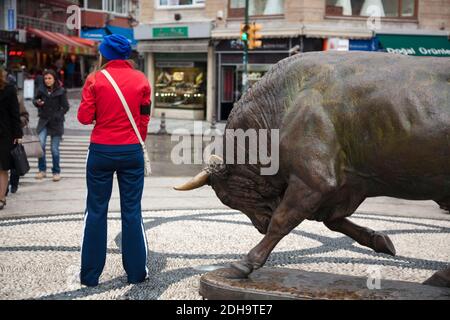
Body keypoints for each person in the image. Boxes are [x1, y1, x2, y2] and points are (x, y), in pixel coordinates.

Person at [78, 34, 151, 287]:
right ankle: (136, 273)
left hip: (101, 151)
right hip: (131, 151)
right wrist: (133, 141)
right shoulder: (141, 79)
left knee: (96, 211)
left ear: (105, 54)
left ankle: (89, 276)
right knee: (132, 212)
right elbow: (144, 121)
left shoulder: (95, 79)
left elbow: (84, 118)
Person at [33, 69, 70, 182]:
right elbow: (35, 100)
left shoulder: (61, 91)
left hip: (56, 123)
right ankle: (42, 170)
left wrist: (58, 115)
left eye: (50, 78)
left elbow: (66, 107)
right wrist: (37, 103)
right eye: (45, 78)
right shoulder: (41, 89)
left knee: (54, 149)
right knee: (41, 145)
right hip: (43, 121)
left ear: (54, 79)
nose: (47, 80)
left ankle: (56, 172)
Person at [0, 67, 23, 210]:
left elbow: (15, 114)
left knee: (2, 168)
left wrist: (18, 135)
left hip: (4, 134)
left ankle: (1, 198)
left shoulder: (9, 90)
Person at [7, 95, 29, 194]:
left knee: (14, 160)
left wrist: (17, 121)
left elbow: (25, 116)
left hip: (14, 135)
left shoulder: (17, 98)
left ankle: (14, 183)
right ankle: (4, 189)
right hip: (3, 135)